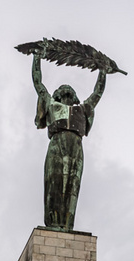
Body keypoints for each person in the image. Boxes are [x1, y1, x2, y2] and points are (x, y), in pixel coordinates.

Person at [31, 52, 107, 231]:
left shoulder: (82, 109)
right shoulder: (51, 105)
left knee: (72, 184)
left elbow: (97, 93)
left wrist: (102, 71)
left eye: (70, 89)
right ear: (57, 95)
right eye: (62, 88)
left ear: (74, 97)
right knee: (55, 184)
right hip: (57, 144)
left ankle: (67, 224)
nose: (66, 88)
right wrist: (37, 58)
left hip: (76, 146)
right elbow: (38, 84)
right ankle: (53, 222)